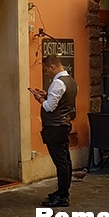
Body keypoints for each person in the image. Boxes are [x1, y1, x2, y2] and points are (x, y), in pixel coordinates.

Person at [30, 55, 77, 208]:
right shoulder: (71, 81)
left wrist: (40, 99)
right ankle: (62, 191)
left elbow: (50, 107)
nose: (46, 73)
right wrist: (47, 95)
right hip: (63, 124)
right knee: (65, 160)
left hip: (55, 126)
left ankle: (63, 195)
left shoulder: (57, 82)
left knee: (61, 162)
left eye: (46, 69)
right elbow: (61, 100)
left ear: (52, 66)